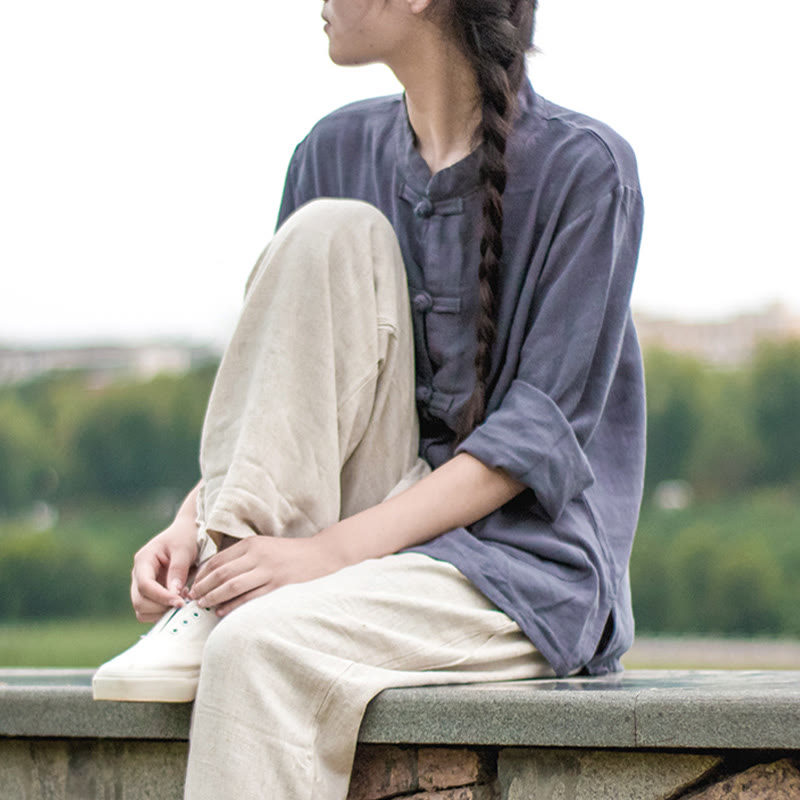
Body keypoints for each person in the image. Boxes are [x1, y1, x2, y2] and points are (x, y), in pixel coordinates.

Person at [93, 0, 646, 796]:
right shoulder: (332, 151)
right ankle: (221, 576)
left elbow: (530, 440)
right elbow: (288, 389)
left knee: (257, 645)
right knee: (328, 229)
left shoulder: (587, 169)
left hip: (520, 572)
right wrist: (198, 524)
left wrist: (324, 555)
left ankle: (228, 604)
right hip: (360, 531)